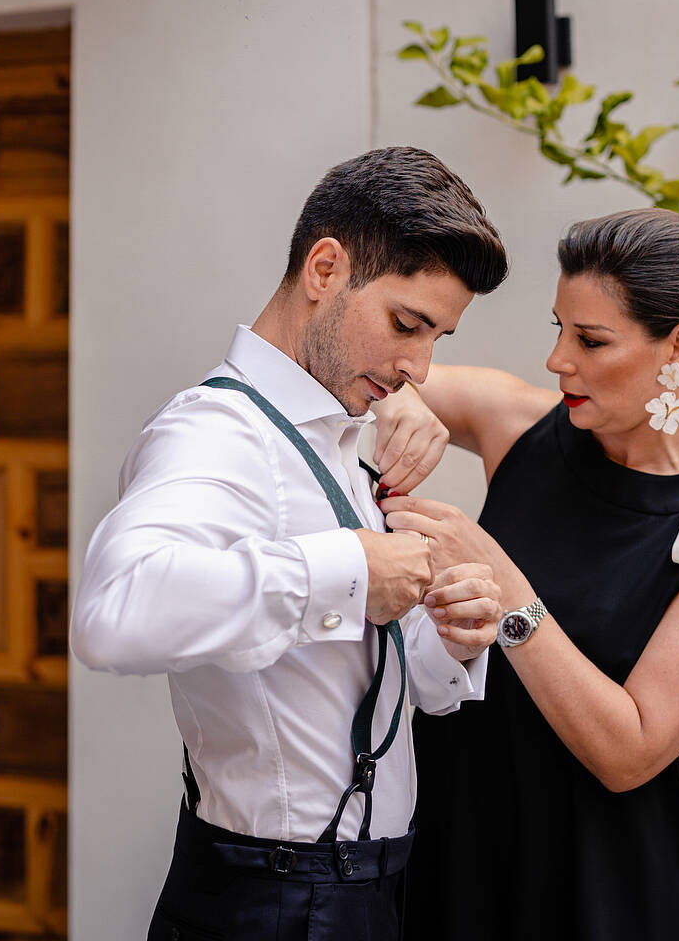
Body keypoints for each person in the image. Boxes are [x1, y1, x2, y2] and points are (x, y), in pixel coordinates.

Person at [71, 146, 513, 941]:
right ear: (324, 268)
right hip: (273, 905)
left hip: (367, 894)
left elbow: (356, 659)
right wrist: (346, 569)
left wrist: (449, 630)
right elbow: (112, 609)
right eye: (407, 325)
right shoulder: (213, 432)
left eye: (437, 337)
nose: (419, 367)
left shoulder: (345, 434)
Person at [370, 207, 679, 940]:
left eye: (591, 340)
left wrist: (509, 595)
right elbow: (351, 372)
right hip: (462, 862)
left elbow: (629, 751)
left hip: (609, 895)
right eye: (558, 329)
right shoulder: (521, 425)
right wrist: (403, 398)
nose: (558, 360)